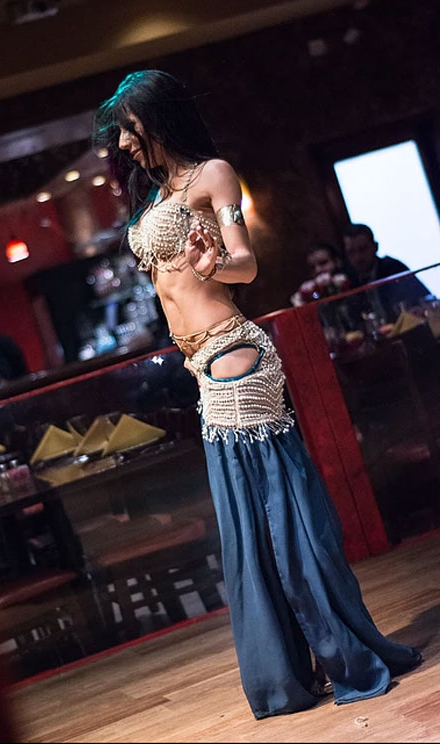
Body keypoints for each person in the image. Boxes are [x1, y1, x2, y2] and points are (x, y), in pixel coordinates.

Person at [93, 70, 421, 720]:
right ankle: (294, 668)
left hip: (234, 354)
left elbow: (246, 263)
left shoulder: (212, 174)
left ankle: (339, 655)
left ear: (157, 119)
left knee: (276, 517)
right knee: (250, 523)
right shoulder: (158, 193)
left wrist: (213, 264)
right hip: (201, 365)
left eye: (129, 130)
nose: (125, 145)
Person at [343, 223, 431, 321]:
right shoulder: (349, 280)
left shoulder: (393, 268)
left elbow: (423, 303)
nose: (358, 257)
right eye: (351, 252)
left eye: (363, 249)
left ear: (375, 247)